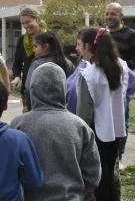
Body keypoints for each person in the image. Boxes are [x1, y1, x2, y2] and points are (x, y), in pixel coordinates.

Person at [10, 63, 101, 200]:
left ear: (33, 90)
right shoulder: (80, 127)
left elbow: (8, 170)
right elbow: (93, 175)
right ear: (63, 90)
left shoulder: (18, 125)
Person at [76, 27, 129, 201]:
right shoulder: (122, 66)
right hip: (117, 129)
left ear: (87, 46)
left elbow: (84, 113)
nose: (77, 49)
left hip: (96, 131)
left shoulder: (89, 74)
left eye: (78, 44)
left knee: (100, 178)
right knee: (111, 174)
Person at [105, 2, 135, 170]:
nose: (109, 17)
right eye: (107, 14)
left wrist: (123, 68)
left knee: (122, 120)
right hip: (101, 84)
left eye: (113, 14)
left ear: (121, 16)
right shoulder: (101, 34)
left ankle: (119, 157)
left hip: (121, 86)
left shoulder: (130, 35)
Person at [24, 31, 75, 111]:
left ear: (45, 46)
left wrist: (29, 107)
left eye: (36, 46)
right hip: (63, 109)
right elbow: (72, 87)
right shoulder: (68, 63)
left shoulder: (37, 64)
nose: (34, 50)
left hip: (39, 110)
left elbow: (28, 88)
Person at [12, 7, 46, 107]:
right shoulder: (22, 40)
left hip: (46, 89)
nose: (26, 26)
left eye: (28, 22)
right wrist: (17, 77)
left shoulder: (50, 38)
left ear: (37, 19)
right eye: (23, 24)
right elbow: (17, 63)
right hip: (28, 89)